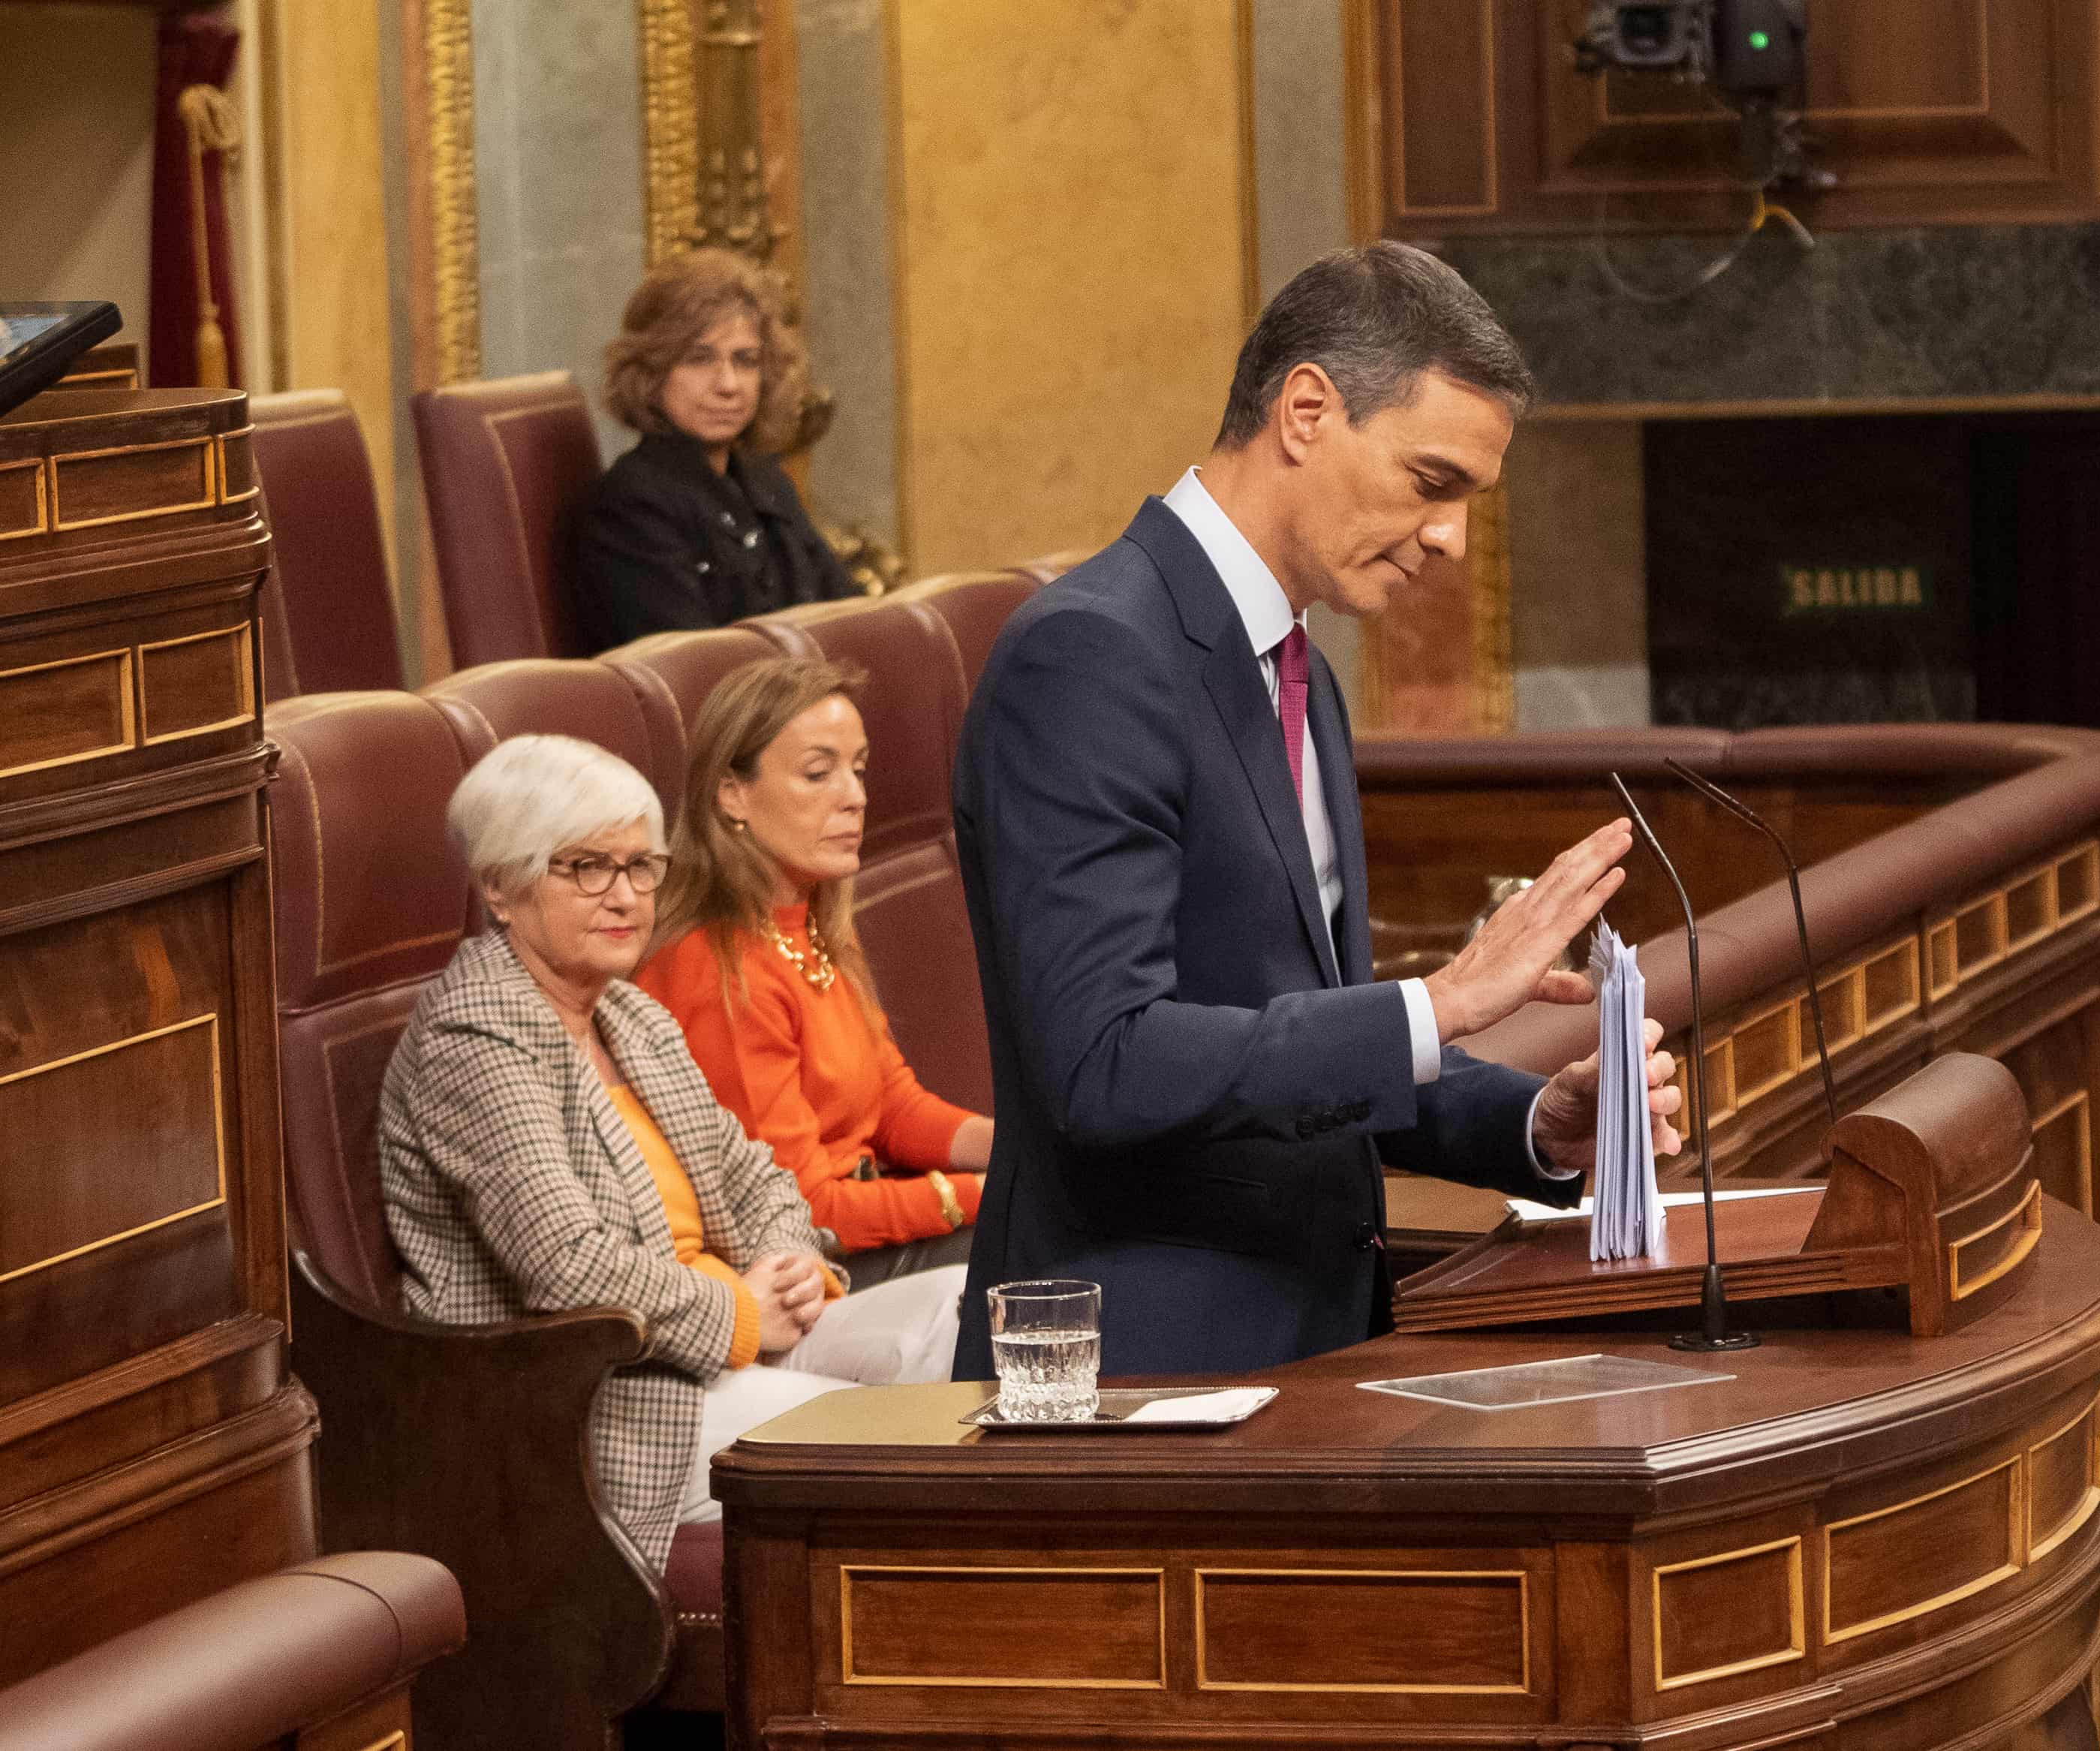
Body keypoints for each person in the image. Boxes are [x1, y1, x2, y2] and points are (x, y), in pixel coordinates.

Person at [949, 242, 1683, 1379]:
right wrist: (1438, 1004)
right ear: (1305, 411)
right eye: (1432, 482)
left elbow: (1298, 1036)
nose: (1451, 538)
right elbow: (1103, 1061)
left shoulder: (1300, 668)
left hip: (1306, 1343)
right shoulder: (1092, 653)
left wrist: (1532, 1123)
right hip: (1140, 1374)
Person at [378, 734, 958, 1570]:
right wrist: (742, 1313)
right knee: (885, 1440)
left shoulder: (628, 1015)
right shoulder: (475, 1038)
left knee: (970, 1310)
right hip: (603, 1403)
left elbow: (756, 1175)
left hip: (722, 1340)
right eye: (586, 867)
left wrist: (793, 1263)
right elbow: (567, 1267)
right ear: (500, 885)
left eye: (640, 865)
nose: (625, 896)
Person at [638, 657, 986, 1322]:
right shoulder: (718, 968)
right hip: (814, 1267)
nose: (854, 796)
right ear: (731, 794)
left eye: (859, 769)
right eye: (818, 773)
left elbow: (893, 1106)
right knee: (1063, 1246)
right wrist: (980, 1195)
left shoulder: (813, 924)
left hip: (872, 1216)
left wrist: (1022, 1152)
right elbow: (803, 1209)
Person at [572, 248, 857, 653]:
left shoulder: (765, 480)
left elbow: (851, 615)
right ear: (651, 372)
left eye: (746, 361)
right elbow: (695, 668)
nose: (728, 384)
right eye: (699, 359)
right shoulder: (632, 504)